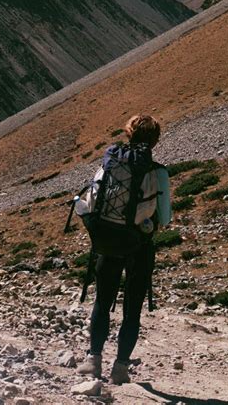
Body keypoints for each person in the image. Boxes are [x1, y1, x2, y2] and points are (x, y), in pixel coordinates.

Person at [77, 114, 171, 385]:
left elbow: (92, 202)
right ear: (155, 139)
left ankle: (93, 360)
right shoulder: (158, 172)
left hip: (108, 242)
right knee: (132, 309)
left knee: (102, 302)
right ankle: (120, 368)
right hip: (139, 245)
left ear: (128, 134)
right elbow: (164, 218)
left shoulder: (109, 163)